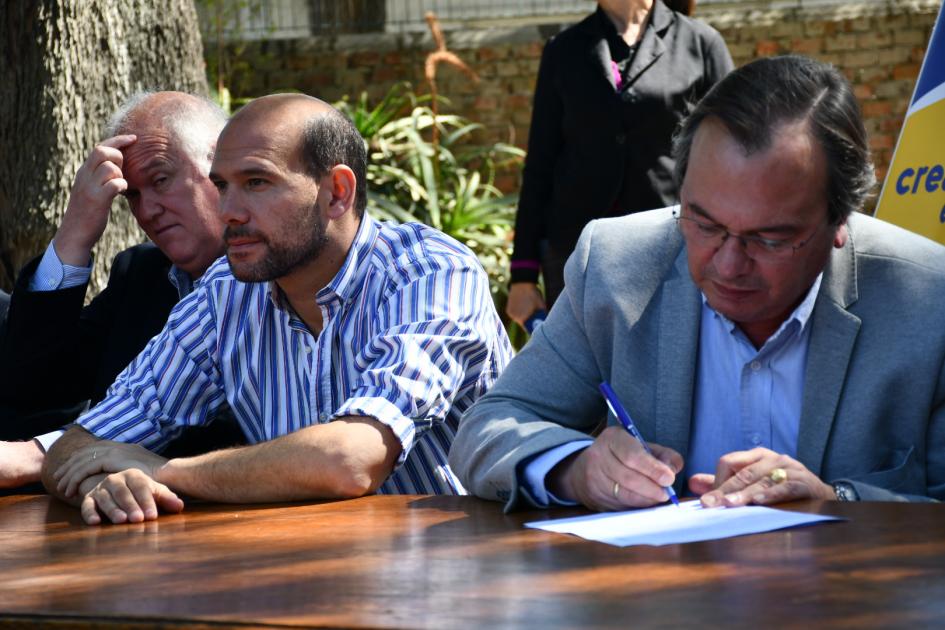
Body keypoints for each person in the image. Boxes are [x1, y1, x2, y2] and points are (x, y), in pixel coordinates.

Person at [450, 55, 945, 511]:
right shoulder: (615, 265)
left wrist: (837, 501)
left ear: (841, 222)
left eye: (769, 239)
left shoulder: (927, 299)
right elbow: (489, 427)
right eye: (703, 224)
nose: (727, 265)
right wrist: (575, 470)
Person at [42, 93, 513, 525]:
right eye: (222, 185)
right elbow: (76, 446)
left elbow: (351, 460)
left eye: (256, 182)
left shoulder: (428, 273)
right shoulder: (226, 293)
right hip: (303, 577)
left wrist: (164, 471)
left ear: (336, 193)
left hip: (464, 576)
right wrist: (109, 485)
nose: (229, 210)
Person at [0, 92, 245, 491]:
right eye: (131, 194)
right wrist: (74, 235)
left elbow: (229, 428)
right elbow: (32, 389)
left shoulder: (277, 276)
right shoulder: (142, 274)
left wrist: (41, 456)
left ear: (220, 166)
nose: (147, 209)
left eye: (161, 180)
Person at [506, 0, 733, 330]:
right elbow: (541, 165)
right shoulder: (563, 50)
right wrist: (522, 275)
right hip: (579, 255)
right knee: (587, 377)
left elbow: (734, 154)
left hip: (672, 249)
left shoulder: (700, 43)